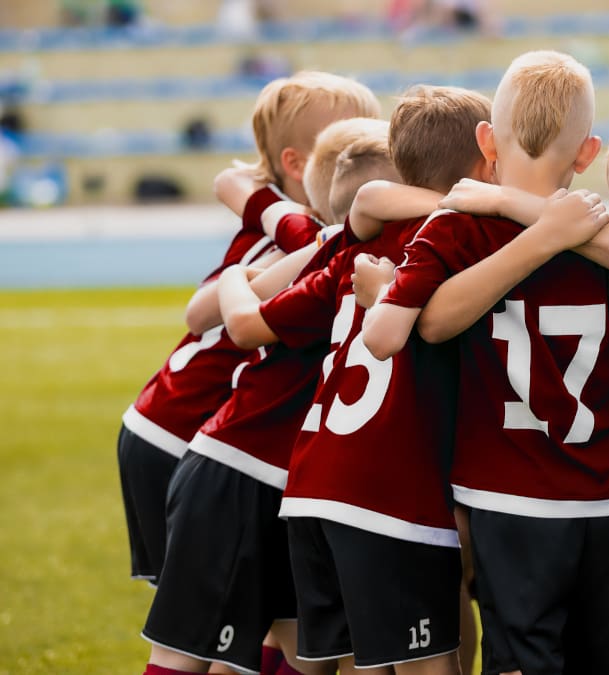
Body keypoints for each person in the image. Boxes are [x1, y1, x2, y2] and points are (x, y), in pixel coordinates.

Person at [357, 53, 609, 675]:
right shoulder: (606, 240)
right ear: (587, 155)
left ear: (486, 140)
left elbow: (431, 322)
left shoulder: (457, 226)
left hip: (508, 504)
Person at [216, 85, 499, 675]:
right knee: (428, 659)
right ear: (485, 157)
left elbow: (365, 201)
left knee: (335, 661)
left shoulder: (354, 248)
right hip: (389, 493)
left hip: (313, 482)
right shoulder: (462, 244)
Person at [137, 72, 381, 675]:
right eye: (347, 144)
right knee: (202, 637)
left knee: (286, 629)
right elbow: (201, 313)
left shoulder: (320, 231)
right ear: (301, 163)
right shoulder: (297, 236)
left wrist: (258, 200)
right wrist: (268, 212)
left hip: (264, 463)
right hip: (198, 444)